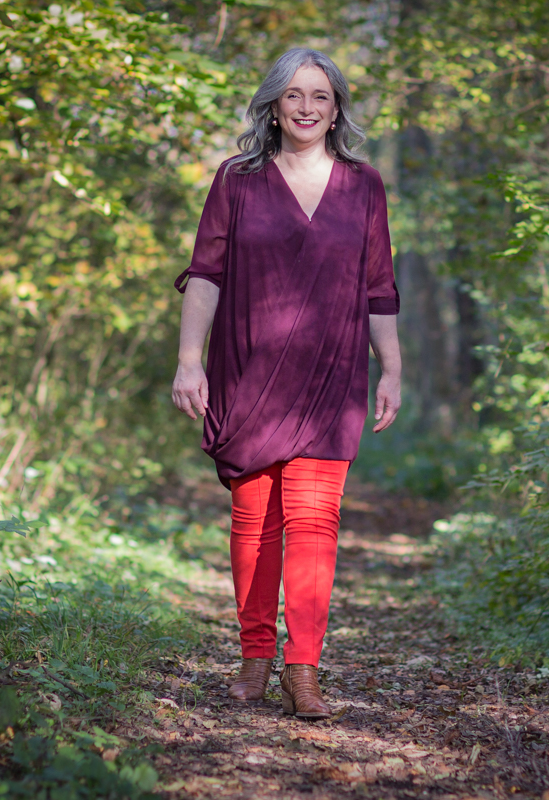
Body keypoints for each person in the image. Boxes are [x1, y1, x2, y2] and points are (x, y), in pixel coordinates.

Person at [170, 48, 401, 720]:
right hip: (249, 371)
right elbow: (205, 273)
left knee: (314, 522)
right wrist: (189, 359)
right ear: (273, 105)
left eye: (320, 96)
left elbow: (378, 286)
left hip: (332, 375)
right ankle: (254, 657)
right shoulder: (237, 179)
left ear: (337, 109)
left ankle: (303, 670)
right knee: (254, 525)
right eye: (294, 95)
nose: (306, 107)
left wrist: (392, 367)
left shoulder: (364, 185)